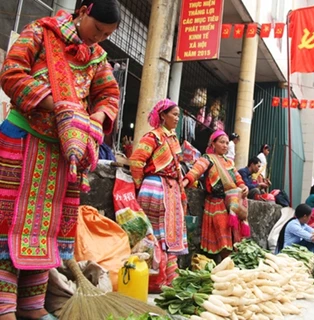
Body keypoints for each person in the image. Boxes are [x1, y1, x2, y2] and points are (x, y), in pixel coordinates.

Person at [0, 1, 121, 319]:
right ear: (83, 12)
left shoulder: (97, 57)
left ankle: (32, 305)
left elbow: (109, 95)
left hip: (63, 151)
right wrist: (58, 106)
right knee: (11, 224)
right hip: (22, 139)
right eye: (97, 29)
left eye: (107, 35)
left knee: (47, 229)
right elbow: (11, 74)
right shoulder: (41, 32)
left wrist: (94, 117)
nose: (99, 39)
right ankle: (5, 307)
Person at [129, 99, 187, 285]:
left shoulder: (171, 139)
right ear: (162, 115)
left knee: (158, 236)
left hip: (166, 188)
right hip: (158, 188)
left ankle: (160, 279)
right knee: (162, 236)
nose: (177, 118)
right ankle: (165, 280)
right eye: (174, 114)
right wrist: (139, 185)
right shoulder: (153, 137)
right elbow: (137, 161)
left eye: (178, 115)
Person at [183, 130, 249, 259]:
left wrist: (243, 187)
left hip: (231, 204)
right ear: (213, 144)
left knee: (232, 239)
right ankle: (226, 266)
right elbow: (196, 171)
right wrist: (184, 182)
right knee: (223, 239)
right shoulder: (207, 158)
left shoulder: (229, 162)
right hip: (216, 203)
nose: (225, 145)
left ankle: (227, 267)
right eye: (221, 142)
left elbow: (238, 179)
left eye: (226, 143)